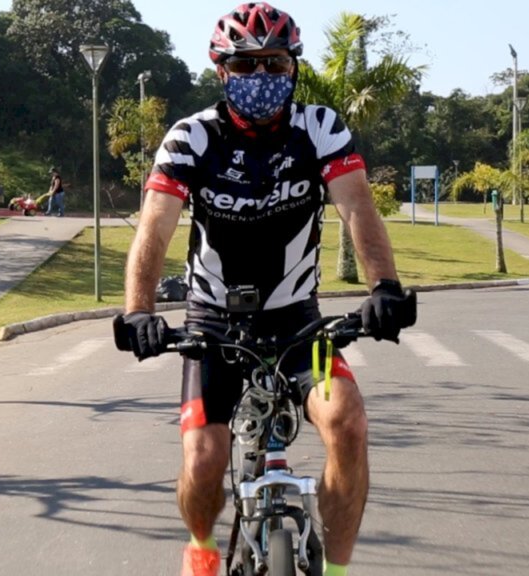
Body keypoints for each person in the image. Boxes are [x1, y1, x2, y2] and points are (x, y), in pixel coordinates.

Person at [112, 4, 417, 576]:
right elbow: (155, 227)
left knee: (348, 422)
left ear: (293, 68)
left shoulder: (319, 128)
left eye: (275, 63)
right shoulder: (192, 137)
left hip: (299, 322)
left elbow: (358, 206)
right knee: (204, 460)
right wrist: (139, 312)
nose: (262, 77)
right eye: (246, 64)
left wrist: (385, 286)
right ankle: (202, 549)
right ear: (222, 70)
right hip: (211, 324)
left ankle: (339, 569)